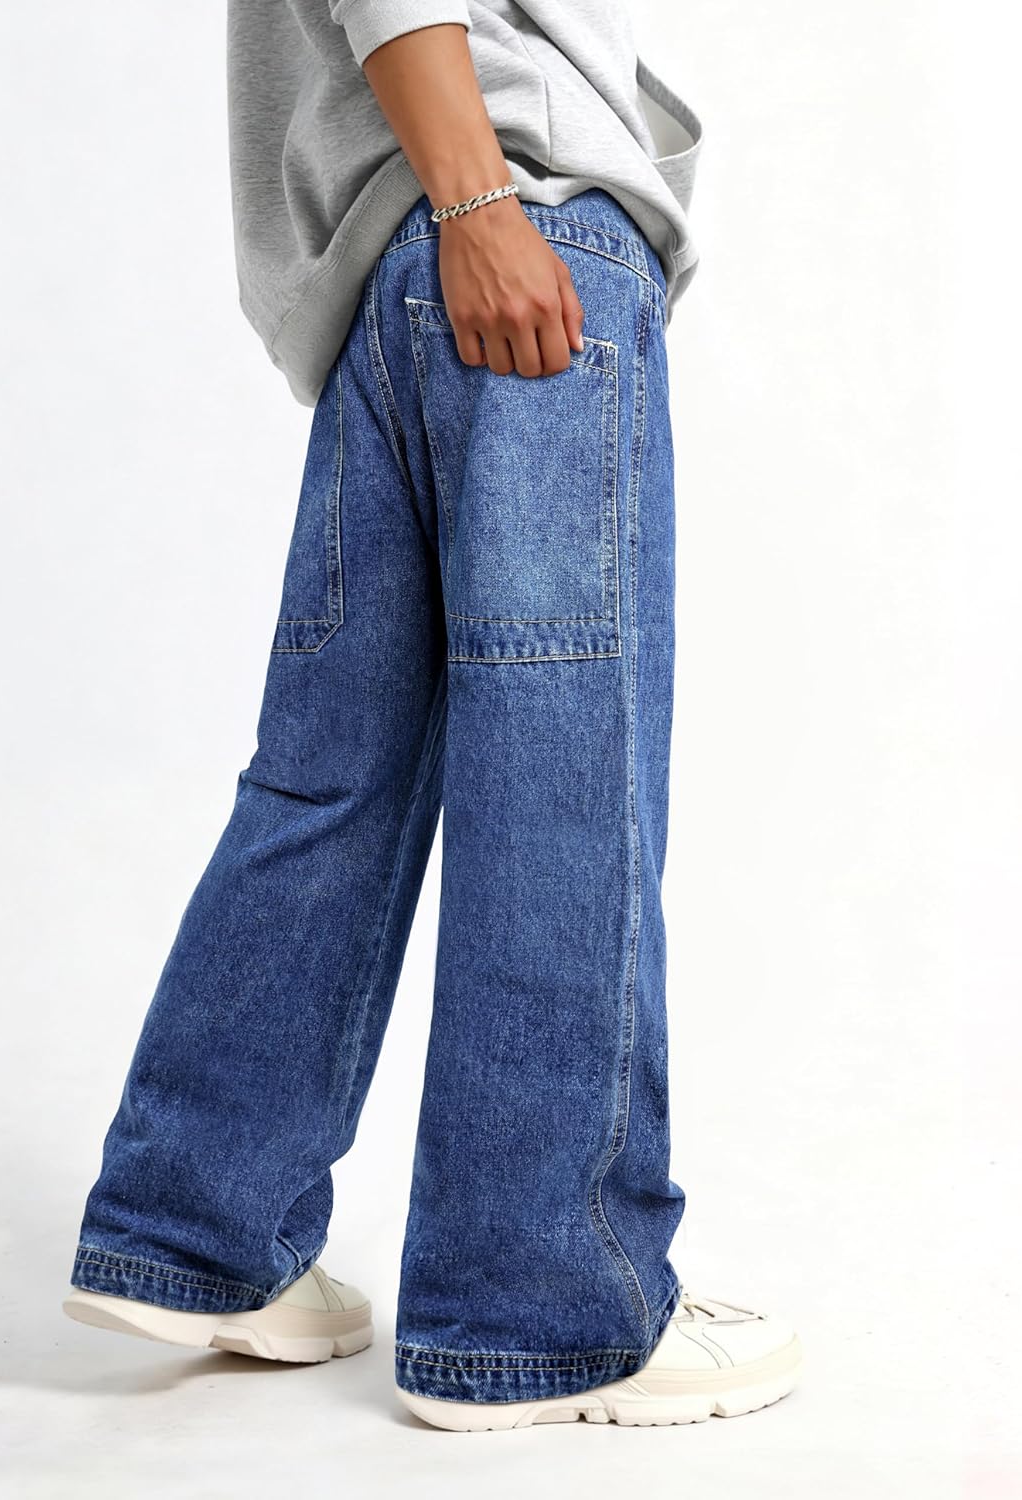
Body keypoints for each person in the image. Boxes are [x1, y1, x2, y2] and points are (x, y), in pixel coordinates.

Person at [62, 1, 803, 1432]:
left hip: (388, 272)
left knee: (334, 779)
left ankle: (195, 1231)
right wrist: (479, 203)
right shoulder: (498, 210)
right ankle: (542, 1312)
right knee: (561, 791)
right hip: (513, 233)